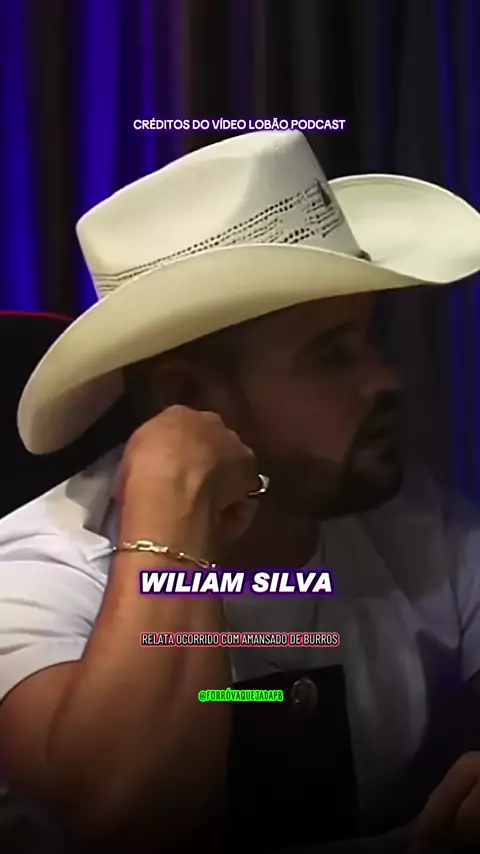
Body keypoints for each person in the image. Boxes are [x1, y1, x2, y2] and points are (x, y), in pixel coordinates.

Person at [1, 130, 480, 854]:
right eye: (331, 356)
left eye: (369, 339)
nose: (385, 379)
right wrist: (170, 512)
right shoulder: (35, 573)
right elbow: (124, 821)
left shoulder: (416, 526)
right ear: (190, 396)